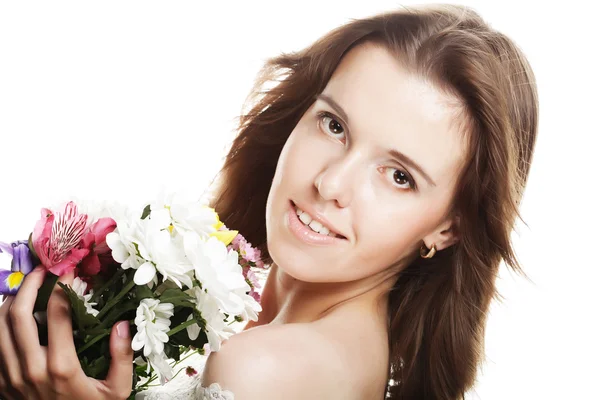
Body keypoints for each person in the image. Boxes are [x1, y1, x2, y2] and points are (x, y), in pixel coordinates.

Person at [0, 4, 538, 399]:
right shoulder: (228, 289)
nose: (331, 184)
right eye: (334, 125)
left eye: (398, 176)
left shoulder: (267, 371)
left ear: (449, 229)